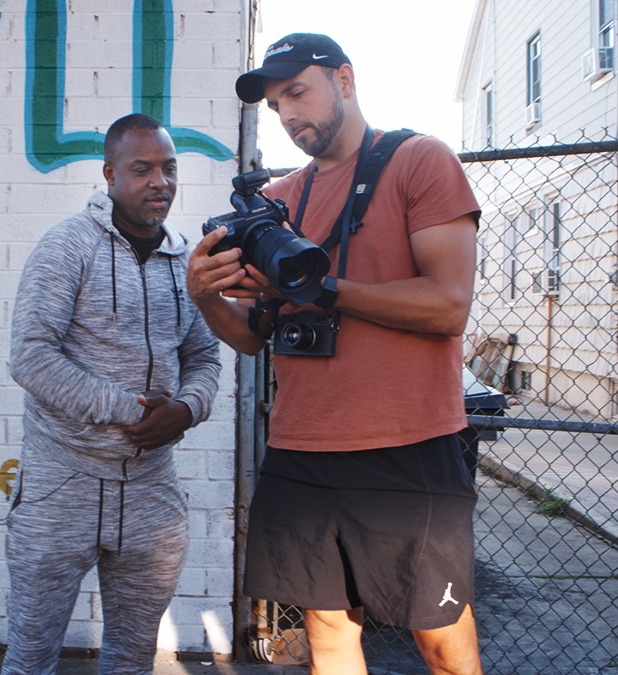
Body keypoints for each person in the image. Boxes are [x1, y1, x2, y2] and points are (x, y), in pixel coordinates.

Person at [186, 34, 484, 675]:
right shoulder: (281, 203)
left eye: (297, 91)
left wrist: (324, 289)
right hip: (301, 446)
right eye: (274, 104)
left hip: (407, 445)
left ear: (344, 80)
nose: (288, 114)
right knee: (326, 634)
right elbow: (251, 336)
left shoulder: (418, 161)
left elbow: (448, 305)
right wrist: (207, 296)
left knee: (439, 637)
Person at [2, 113, 221, 675]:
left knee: (132, 657)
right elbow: (30, 355)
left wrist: (188, 409)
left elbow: (204, 356)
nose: (160, 182)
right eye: (142, 169)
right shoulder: (68, 247)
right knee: (32, 656)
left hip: (151, 491)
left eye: (169, 169)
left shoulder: (186, 260)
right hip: (61, 483)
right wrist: (137, 412)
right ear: (109, 174)